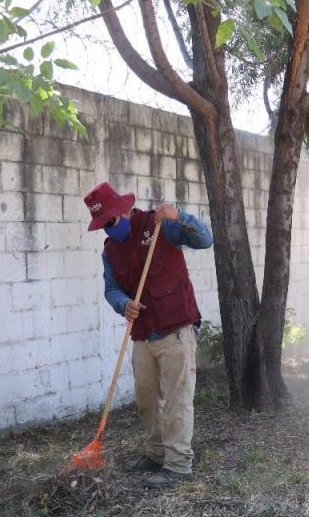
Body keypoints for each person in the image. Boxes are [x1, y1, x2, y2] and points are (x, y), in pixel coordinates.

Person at [83, 182, 213, 488]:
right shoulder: (110, 251)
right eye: (102, 226)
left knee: (177, 400)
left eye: (110, 222)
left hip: (175, 329)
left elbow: (205, 240)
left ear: (125, 211)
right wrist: (123, 304)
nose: (108, 230)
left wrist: (179, 215)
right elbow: (111, 289)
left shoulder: (158, 227)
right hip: (142, 334)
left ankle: (178, 464)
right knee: (146, 400)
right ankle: (155, 453)